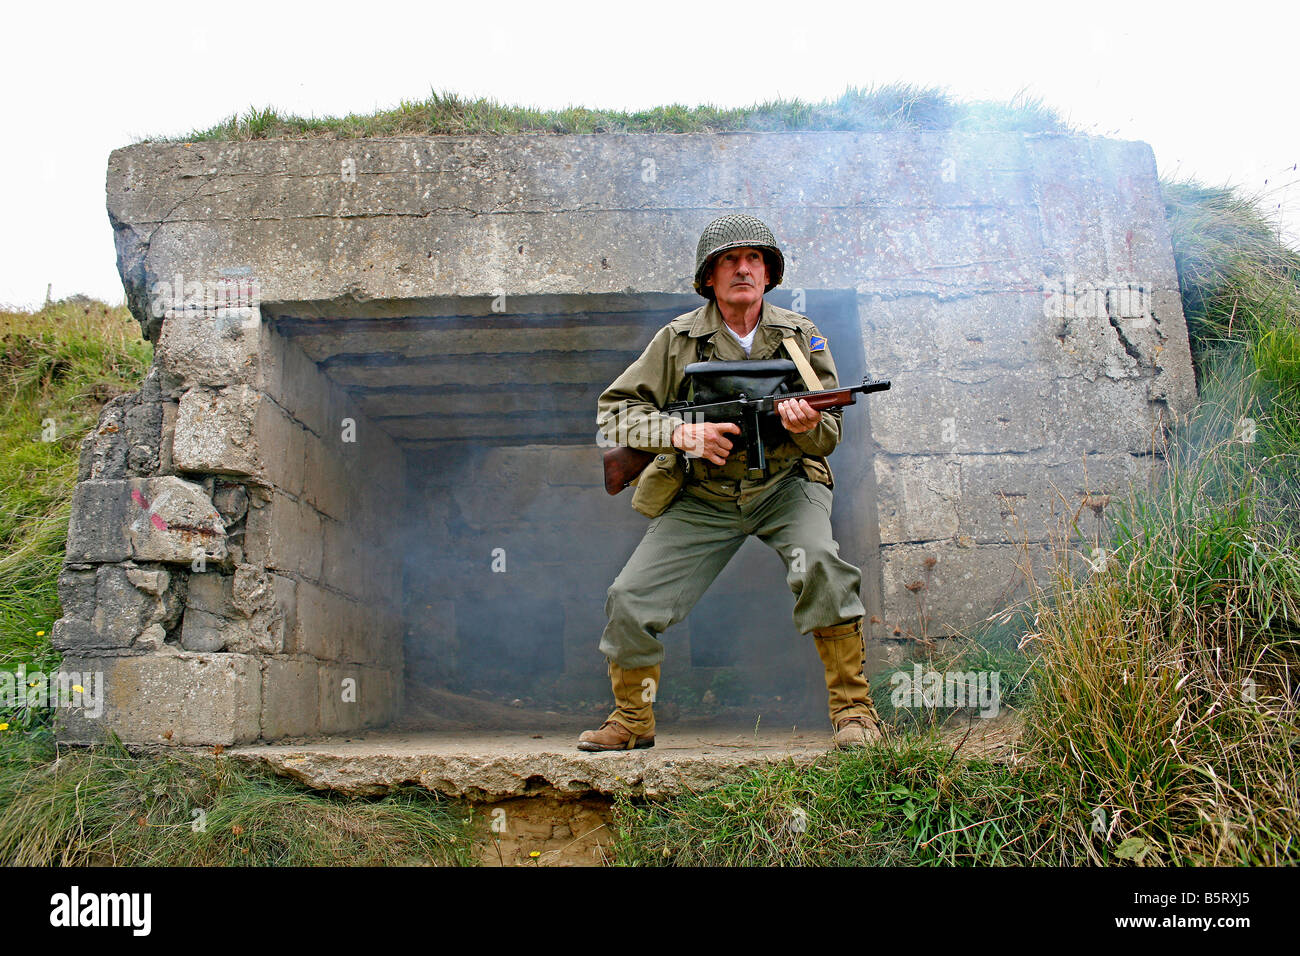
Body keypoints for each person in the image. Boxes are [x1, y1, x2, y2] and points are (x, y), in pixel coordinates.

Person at [578, 214, 886, 753]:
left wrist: (805, 424)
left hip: (786, 487)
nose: (743, 269)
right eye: (729, 260)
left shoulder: (800, 338)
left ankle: (854, 712)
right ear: (709, 278)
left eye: (754, 260)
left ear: (768, 274)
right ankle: (631, 720)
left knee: (821, 565)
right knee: (628, 598)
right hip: (704, 495)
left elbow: (830, 433)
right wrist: (679, 433)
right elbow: (614, 414)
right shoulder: (676, 340)